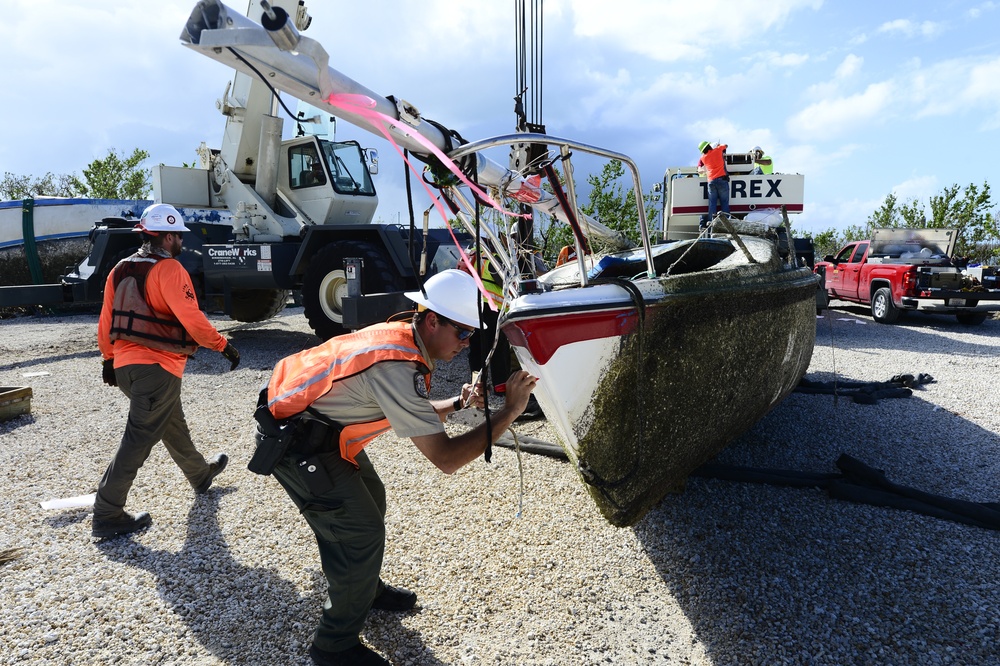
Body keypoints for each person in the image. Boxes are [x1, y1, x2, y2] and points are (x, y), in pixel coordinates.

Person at [257, 269, 537, 666]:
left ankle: (363, 589)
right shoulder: (396, 364)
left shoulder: (404, 337)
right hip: (300, 446)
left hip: (322, 434)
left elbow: (411, 411)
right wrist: (509, 412)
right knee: (357, 530)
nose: (466, 343)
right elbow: (446, 458)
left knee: (372, 499)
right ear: (433, 319)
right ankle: (333, 646)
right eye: (462, 333)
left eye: (472, 335)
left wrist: (458, 404)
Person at [93, 203, 240, 539]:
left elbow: (105, 320)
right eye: (179, 236)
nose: (181, 242)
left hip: (127, 368)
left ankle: (200, 475)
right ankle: (107, 513)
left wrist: (108, 358)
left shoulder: (120, 268)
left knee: (172, 423)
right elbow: (192, 319)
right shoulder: (170, 269)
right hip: (157, 368)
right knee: (138, 439)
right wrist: (222, 345)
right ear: (169, 236)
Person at [696, 140, 730, 226]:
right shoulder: (718, 150)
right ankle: (727, 225)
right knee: (724, 203)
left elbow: (700, 166)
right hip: (722, 180)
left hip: (711, 181)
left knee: (712, 204)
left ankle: (711, 225)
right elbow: (726, 145)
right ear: (709, 146)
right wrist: (718, 145)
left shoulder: (703, 158)